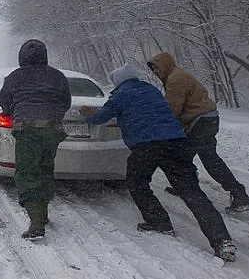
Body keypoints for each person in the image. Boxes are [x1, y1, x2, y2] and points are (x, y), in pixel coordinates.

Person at [79, 63, 237, 261]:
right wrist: (125, 119)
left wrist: (87, 115)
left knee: (137, 183)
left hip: (147, 146)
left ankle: (159, 221)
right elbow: (149, 113)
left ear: (117, 82)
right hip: (176, 143)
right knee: (192, 192)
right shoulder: (151, 90)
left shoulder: (120, 95)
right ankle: (222, 241)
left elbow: (99, 118)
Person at [147, 52, 249, 213]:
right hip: (205, 119)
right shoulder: (176, 76)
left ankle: (240, 195)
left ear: (165, 64)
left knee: (209, 160)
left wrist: (157, 125)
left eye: (156, 68)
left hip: (201, 122)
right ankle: (184, 186)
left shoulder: (176, 79)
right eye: (153, 70)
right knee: (183, 156)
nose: (155, 72)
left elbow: (172, 109)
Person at [0, 39, 70, 240]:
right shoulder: (57, 76)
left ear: (22, 56)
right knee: (45, 169)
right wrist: (53, 118)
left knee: (27, 173)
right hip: (53, 130)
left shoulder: (15, 77)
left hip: (27, 130)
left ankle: (36, 223)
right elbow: (66, 101)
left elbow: (5, 101)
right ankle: (43, 213)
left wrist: (14, 113)